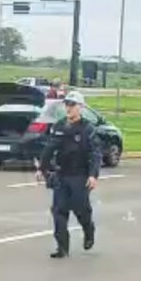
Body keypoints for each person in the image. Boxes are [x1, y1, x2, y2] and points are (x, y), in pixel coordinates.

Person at [37, 91, 101, 259]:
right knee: (59, 211)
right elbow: (49, 149)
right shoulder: (58, 126)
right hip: (61, 175)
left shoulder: (88, 129)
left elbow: (95, 154)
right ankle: (62, 248)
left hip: (80, 176)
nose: (69, 108)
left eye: (72, 105)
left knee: (81, 210)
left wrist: (93, 175)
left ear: (80, 107)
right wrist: (41, 169)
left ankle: (89, 231)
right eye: (67, 104)